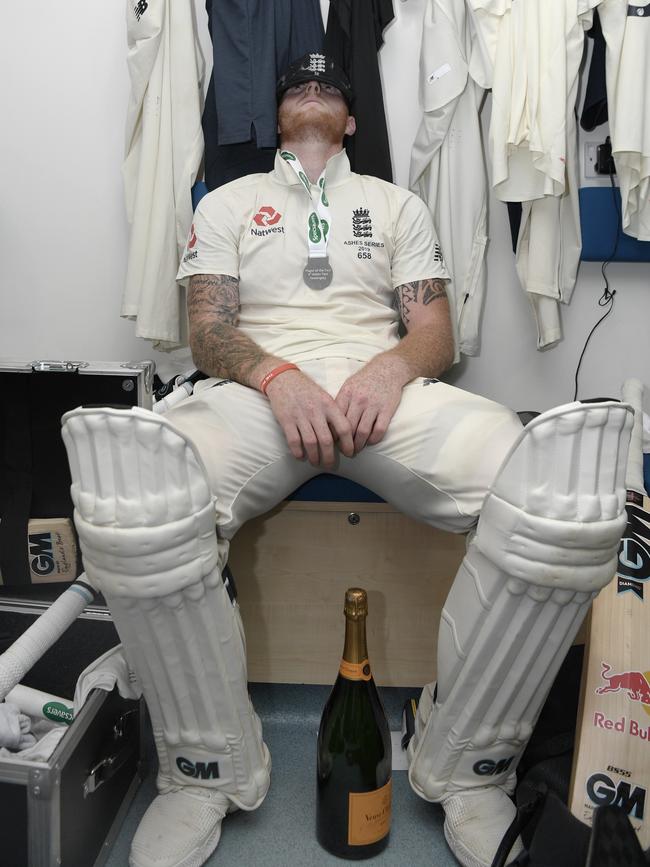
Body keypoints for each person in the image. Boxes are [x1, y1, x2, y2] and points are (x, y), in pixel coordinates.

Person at [61, 53, 632, 867]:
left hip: (379, 394)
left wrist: (391, 368)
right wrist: (276, 375)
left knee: (550, 489)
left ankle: (469, 764)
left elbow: (433, 331)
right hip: (258, 397)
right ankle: (205, 768)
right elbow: (208, 329)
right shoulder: (228, 202)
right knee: (142, 491)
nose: (315, 92)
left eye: (332, 88)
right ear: (279, 111)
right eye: (298, 84)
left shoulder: (396, 204)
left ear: (353, 121)